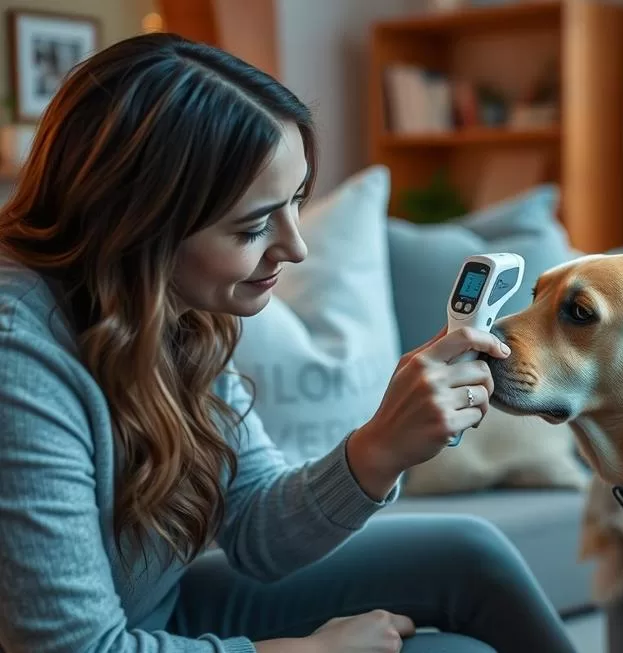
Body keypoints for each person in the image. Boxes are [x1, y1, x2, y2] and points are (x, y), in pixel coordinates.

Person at [0, 33, 579, 653]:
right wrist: (312, 651)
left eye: (297, 201)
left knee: (470, 554)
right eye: (254, 226)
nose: (295, 247)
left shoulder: (176, 313)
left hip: (156, 610)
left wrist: (381, 447)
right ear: (137, 226)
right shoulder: (19, 359)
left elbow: (258, 531)